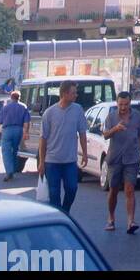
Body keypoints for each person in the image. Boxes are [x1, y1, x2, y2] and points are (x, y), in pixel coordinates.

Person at [37, 80, 88, 214]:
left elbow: (82, 133)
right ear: (64, 94)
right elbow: (43, 139)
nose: (76, 95)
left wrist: (85, 153)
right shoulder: (49, 113)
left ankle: (65, 211)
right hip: (52, 161)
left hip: (70, 161)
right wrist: (41, 162)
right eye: (73, 93)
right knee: (54, 192)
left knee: (72, 188)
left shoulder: (77, 110)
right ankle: (58, 216)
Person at [101, 92, 140, 234]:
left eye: (126, 104)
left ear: (130, 103)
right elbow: (105, 135)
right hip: (115, 159)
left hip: (132, 158)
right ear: (117, 103)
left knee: (129, 189)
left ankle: (130, 221)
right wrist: (115, 128)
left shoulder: (137, 117)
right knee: (114, 190)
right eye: (121, 104)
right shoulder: (111, 116)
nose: (123, 107)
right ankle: (111, 218)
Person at [0, 90, 31, 181]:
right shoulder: (24, 107)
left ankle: (9, 171)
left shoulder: (6, 107)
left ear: (11, 98)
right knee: (15, 150)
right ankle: (14, 169)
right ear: (19, 98)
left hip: (7, 130)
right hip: (18, 130)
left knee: (6, 151)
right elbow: (26, 122)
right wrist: (25, 133)